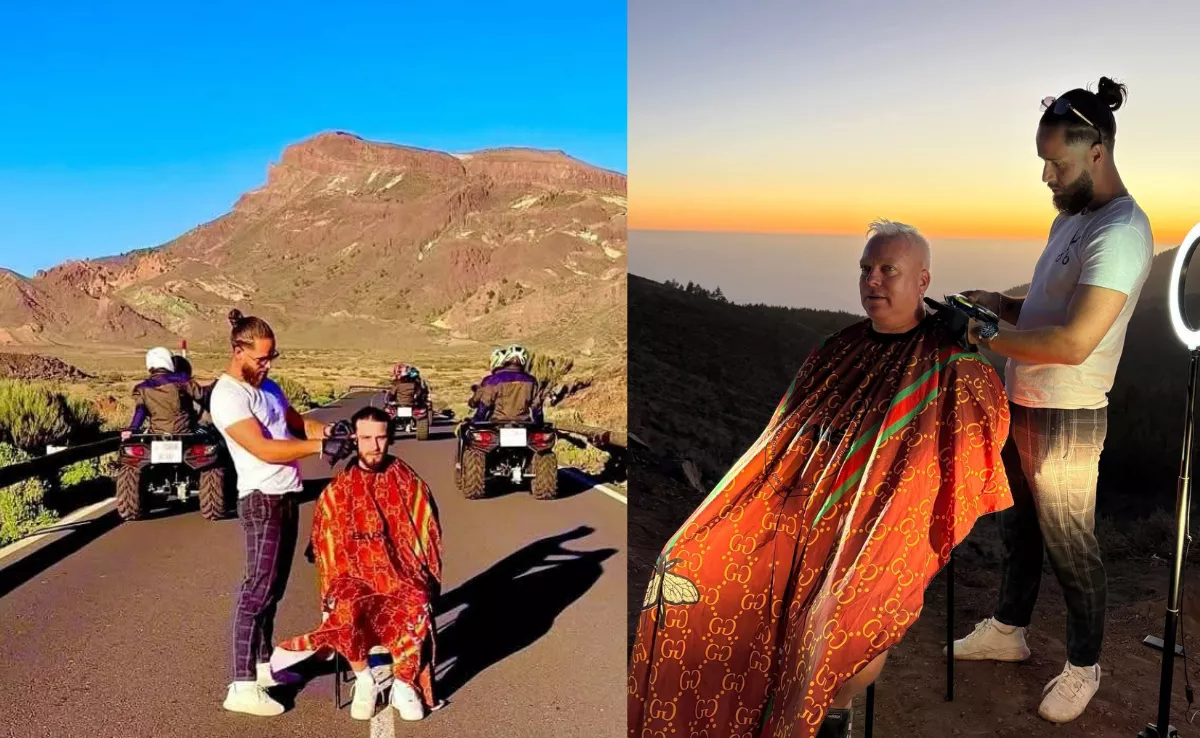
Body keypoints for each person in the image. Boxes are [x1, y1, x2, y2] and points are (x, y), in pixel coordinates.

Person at [627, 220, 1015, 738]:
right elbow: (783, 440)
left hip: (886, 525)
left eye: (888, 270)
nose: (872, 280)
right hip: (803, 506)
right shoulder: (839, 348)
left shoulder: (953, 364)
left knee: (832, 617)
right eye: (866, 268)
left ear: (923, 280)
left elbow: (967, 456)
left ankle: (832, 720)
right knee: (683, 565)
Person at [951, 76, 1154, 724]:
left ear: (1096, 151)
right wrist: (999, 304)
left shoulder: (1121, 230)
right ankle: (1009, 631)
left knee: (1070, 544)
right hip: (1025, 398)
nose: (1046, 176)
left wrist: (982, 335)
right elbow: (1048, 310)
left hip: (1067, 413)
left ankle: (1084, 666)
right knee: (1019, 529)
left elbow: (1073, 342)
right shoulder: (1072, 219)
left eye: (1056, 164)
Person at [270, 406, 443, 722]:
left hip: (400, 574)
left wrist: (423, 577)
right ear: (354, 438)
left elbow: (427, 533)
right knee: (345, 605)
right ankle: (365, 679)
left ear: (390, 438)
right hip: (353, 577)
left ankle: (404, 683)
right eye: (366, 438)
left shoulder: (409, 482)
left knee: (417, 598)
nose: (374, 446)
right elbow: (325, 543)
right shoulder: (339, 489)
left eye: (381, 438)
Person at [208, 309, 337, 717]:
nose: (267, 365)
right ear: (238, 351)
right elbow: (263, 448)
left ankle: (264, 667)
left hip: (287, 496)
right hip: (261, 499)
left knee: (274, 589)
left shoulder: (269, 387)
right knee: (256, 591)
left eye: (271, 358)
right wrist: (320, 449)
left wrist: (332, 433)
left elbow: (297, 425)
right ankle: (241, 684)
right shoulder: (228, 395)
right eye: (261, 358)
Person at [121, 347, 207, 440]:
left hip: (156, 436)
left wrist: (133, 428)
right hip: (185, 434)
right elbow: (202, 396)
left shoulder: (141, 388)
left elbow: (141, 411)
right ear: (168, 361)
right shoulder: (182, 380)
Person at [468, 344, 540, 423]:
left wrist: (477, 420)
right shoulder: (531, 380)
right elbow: (536, 405)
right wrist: (540, 423)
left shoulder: (494, 379)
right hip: (524, 423)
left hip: (497, 422)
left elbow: (484, 404)